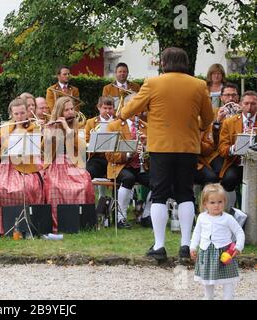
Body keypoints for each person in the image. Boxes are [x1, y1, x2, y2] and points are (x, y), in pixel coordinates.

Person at [118, 47, 214, 260]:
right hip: (188, 147)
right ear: (185, 63)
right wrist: (194, 125)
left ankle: (160, 246)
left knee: (159, 194)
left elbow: (127, 112)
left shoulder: (153, 83)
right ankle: (185, 246)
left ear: (163, 63)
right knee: (185, 193)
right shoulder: (198, 85)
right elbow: (208, 118)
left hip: (161, 146)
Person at [0, 98, 44, 234]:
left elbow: (30, 148)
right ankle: (5, 225)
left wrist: (6, 141)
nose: (20, 116)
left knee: (28, 188)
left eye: (22, 113)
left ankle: (30, 224)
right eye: (16, 114)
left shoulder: (34, 127)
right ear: (11, 114)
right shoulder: (6, 127)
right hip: (7, 167)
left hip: (27, 167)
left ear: (27, 112)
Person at [43, 96, 95, 232]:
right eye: (66, 110)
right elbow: (44, 150)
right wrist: (49, 134)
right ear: (60, 112)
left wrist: (67, 129)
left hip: (74, 164)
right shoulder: (52, 125)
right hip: (56, 164)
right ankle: (58, 222)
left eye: (72, 109)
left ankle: (81, 222)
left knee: (84, 183)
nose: (71, 112)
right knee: (54, 186)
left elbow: (83, 147)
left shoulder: (78, 125)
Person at [190, 183, 245, 300]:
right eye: (212, 202)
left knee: (228, 278)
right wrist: (193, 247)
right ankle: (208, 296)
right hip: (206, 253)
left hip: (225, 252)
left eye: (220, 202)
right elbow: (196, 233)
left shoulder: (228, 218)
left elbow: (239, 232)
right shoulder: (201, 217)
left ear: (224, 202)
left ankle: (228, 297)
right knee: (207, 279)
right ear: (205, 204)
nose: (217, 205)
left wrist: (238, 246)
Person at [105, 112, 150, 228]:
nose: (137, 113)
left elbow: (152, 154)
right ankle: (121, 218)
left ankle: (146, 215)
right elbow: (109, 155)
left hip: (140, 166)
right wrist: (129, 153)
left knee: (159, 181)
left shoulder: (146, 126)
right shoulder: (113, 126)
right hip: (120, 166)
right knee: (128, 178)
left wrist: (145, 148)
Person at [218, 91, 257, 211]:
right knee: (228, 180)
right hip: (236, 162)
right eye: (246, 103)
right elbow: (222, 149)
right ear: (241, 104)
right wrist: (235, 148)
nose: (249, 107)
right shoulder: (229, 122)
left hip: (255, 163)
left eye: (253, 104)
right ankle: (228, 213)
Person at [85, 96, 115, 179]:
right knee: (89, 172)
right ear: (99, 108)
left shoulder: (118, 122)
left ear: (114, 108)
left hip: (114, 158)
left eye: (110, 108)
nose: (107, 111)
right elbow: (86, 140)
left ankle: (117, 192)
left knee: (120, 176)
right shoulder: (91, 122)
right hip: (97, 157)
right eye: (104, 108)